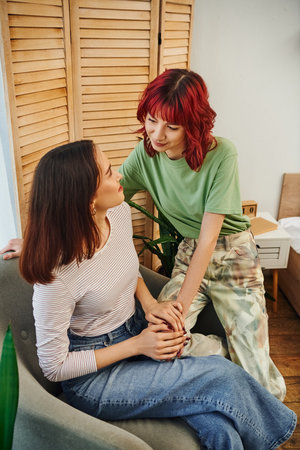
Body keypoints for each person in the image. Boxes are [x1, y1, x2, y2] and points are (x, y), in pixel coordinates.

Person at [0, 69, 285, 400]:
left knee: (257, 371)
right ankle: (225, 356)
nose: (157, 134)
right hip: (190, 251)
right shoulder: (146, 154)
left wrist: (179, 306)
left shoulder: (222, 154)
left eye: (172, 126)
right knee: (163, 336)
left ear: (193, 124)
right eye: (151, 120)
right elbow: (90, 196)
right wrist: (44, 241)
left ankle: (258, 377)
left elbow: (210, 239)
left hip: (233, 255)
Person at [12, 139, 296, 449]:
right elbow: (54, 367)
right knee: (221, 375)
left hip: (134, 332)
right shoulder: (56, 278)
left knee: (220, 427)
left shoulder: (116, 215)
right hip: (97, 380)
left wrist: (149, 305)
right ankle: (280, 439)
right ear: (87, 200)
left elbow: (123, 269)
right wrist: (137, 345)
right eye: (108, 173)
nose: (119, 175)